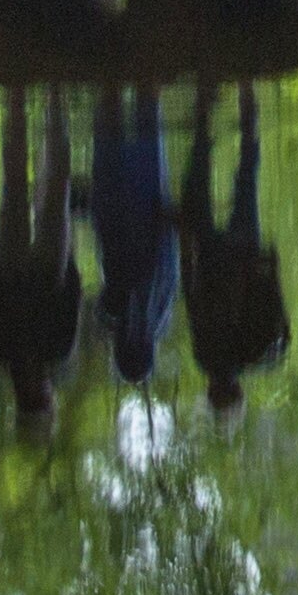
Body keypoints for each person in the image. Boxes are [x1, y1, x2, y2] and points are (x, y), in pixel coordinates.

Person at [178, 83, 288, 413]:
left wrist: (269, 269)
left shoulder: (256, 355)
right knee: (199, 186)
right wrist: (186, 252)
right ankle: (205, 114)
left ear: (239, 389)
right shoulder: (205, 358)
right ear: (211, 390)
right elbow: (193, 300)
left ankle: (246, 101)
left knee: (245, 183)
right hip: (212, 260)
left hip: (244, 259)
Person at [0, 87, 84, 426]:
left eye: (38, 397)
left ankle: (23, 103)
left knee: (28, 188)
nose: (41, 390)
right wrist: (69, 267)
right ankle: (44, 105)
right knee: (44, 188)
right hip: (41, 269)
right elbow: (72, 301)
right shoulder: (39, 353)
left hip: (20, 269)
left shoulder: (6, 354)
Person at [89, 81, 175, 384]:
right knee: (112, 136)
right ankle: (111, 72)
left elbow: (169, 264)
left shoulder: (159, 315)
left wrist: (169, 221)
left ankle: (141, 71)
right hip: (117, 217)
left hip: (143, 214)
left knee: (145, 133)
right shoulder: (119, 319)